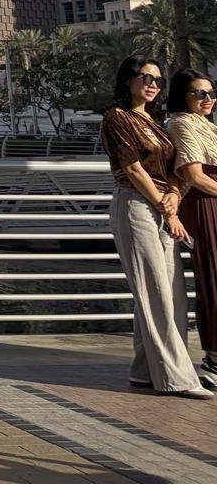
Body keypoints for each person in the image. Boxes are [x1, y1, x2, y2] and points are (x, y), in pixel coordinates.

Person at [103, 57, 209, 397]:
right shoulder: (117, 118)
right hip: (135, 205)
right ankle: (177, 378)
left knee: (171, 292)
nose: (152, 84)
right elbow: (133, 170)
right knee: (157, 294)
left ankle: (144, 370)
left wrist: (174, 197)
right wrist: (167, 208)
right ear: (128, 79)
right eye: (145, 77)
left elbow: (175, 170)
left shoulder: (158, 121)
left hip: (163, 207)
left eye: (158, 80)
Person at [168, 69, 217, 388]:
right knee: (213, 278)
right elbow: (193, 175)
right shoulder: (181, 124)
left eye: (211, 93)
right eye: (200, 94)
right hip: (204, 205)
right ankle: (213, 358)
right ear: (183, 96)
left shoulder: (206, 125)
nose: (208, 99)